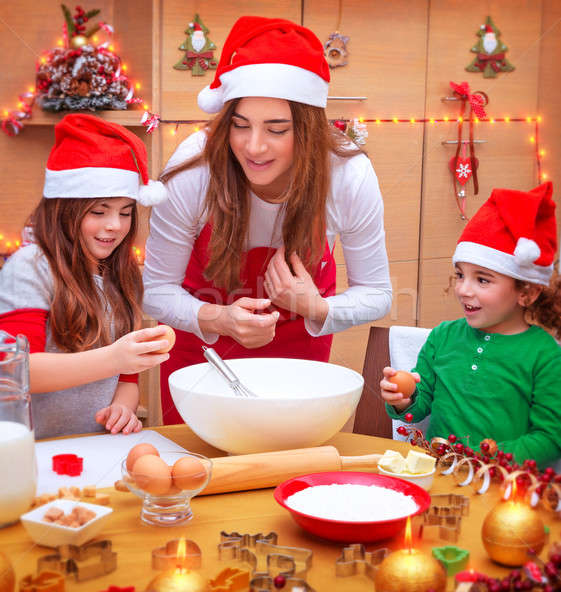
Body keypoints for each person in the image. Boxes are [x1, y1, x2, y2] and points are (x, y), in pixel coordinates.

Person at [142, 16, 392, 424]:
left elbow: (378, 293)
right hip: (204, 351)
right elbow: (154, 292)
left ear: (308, 130)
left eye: (276, 130)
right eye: (240, 126)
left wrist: (316, 307)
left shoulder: (347, 173)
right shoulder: (195, 168)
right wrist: (217, 318)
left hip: (301, 354)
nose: (253, 147)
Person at [0, 114, 171, 439]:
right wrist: (114, 358)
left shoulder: (121, 274)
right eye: (99, 211)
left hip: (92, 446)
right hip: (28, 448)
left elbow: (127, 379)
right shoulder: (30, 266)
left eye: (125, 212)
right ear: (64, 208)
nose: (115, 226)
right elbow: (19, 370)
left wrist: (122, 408)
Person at [381, 182, 561, 468]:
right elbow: (420, 404)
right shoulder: (443, 336)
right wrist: (404, 399)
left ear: (526, 292)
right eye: (460, 274)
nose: (464, 289)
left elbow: (550, 437)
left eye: (482, 279)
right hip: (439, 474)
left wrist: (486, 457)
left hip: (503, 489)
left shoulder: (545, 355)